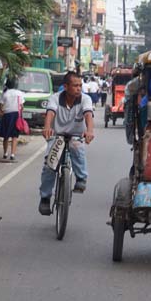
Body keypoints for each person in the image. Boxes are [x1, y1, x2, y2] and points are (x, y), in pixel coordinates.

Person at [38, 71, 95, 215]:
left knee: (77, 148)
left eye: (80, 85)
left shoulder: (85, 99)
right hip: (57, 135)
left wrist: (89, 131)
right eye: (75, 85)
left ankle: (81, 178)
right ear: (66, 86)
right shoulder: (55, 98)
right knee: (50, 165)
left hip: (76, 136)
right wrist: (47, 128)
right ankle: (45, 198)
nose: (78, 88)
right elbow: (50, 113)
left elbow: (88, 114)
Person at [0, 77, 26, 161]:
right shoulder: (19, 93)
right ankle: (12, 154)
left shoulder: (5, 93)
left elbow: (1, 106)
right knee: (14, 136)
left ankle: (5, 153)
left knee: (5, 136)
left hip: (6, 116)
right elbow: (22, 106)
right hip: (16, 116)